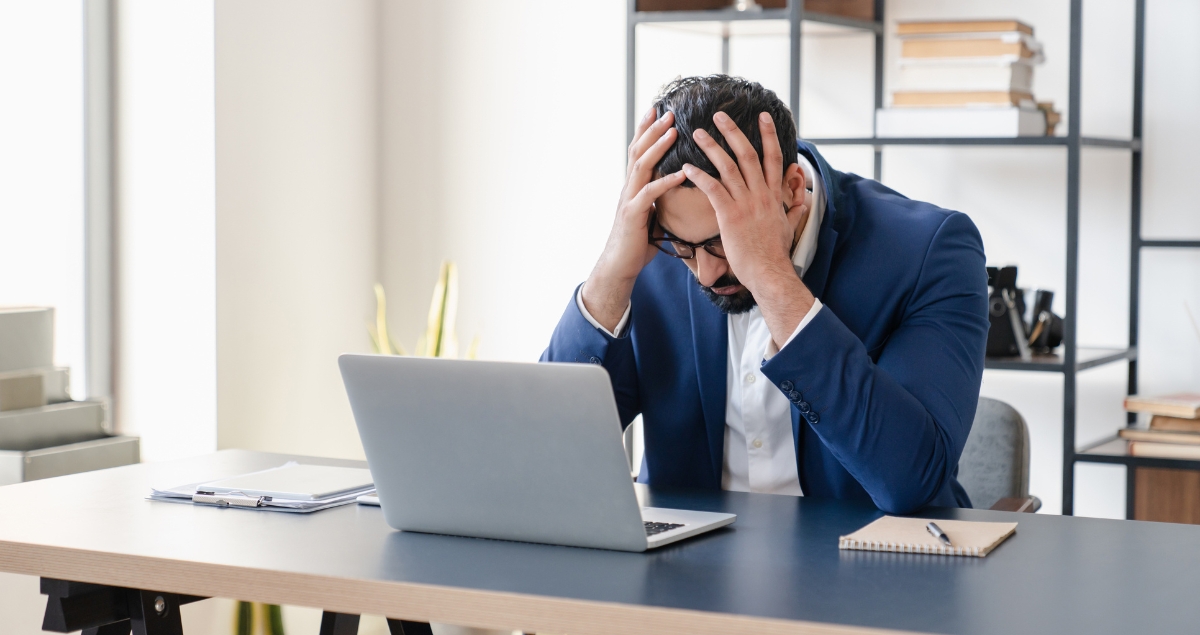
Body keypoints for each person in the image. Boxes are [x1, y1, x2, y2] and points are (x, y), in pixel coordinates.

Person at [541, 75, 988, 514]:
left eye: (722, 240)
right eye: (684, 246)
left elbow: (909, 479)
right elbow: (550, 456)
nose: (707, 272)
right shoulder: (655, 244)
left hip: (869, 568)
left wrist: (771, 275)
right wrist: (611, 277)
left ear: (792, 189)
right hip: (686, 573)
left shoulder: (929, 251)